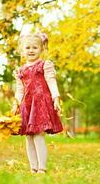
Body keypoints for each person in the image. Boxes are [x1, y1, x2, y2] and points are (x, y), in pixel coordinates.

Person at [11, 32, 63, 174]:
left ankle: (42, 167)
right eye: (27, 48)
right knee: (29, 137)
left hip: (40, 104)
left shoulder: (44, 65)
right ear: (22, 51)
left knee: (38, 135)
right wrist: (16, 104)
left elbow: (52, 82)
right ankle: (33, 167)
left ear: (41, 49)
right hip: (27, 106)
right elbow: (20, 89)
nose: (31, 50)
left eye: (35, 47)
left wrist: (56, 98)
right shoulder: (20, 70)